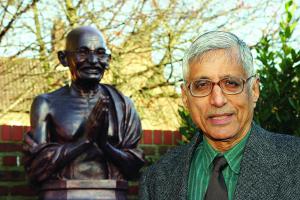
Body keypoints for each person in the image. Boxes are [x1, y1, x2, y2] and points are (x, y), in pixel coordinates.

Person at [139, 31, 300, 200]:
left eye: (231, 83)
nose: (217, 100)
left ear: (254, 90)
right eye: (202, 85)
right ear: (186, 98)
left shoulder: (295, 162)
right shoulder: (156, 179)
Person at [23, 26, 144, 185]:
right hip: (62, 194)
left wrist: (105, 145)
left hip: (110, 194)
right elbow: (36, 169)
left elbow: (135, 168)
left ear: (108, 59)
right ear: (63, 58)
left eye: (100, 53)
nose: (93, 61)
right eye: (83, 52)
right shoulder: (46, 104)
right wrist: (84, 141)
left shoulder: (123, 105)